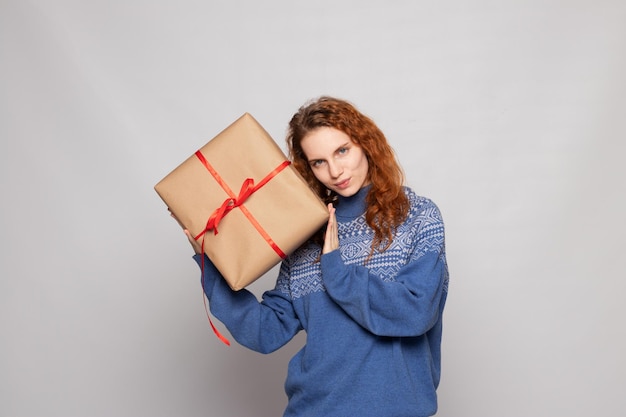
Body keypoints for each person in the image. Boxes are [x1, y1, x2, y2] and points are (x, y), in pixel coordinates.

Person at [180, 96, 449, 417]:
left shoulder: (416, 217)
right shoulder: (306, 236)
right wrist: (212, 265)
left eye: (342, 151)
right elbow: (267, 331)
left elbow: (416, 312)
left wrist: (337, 273)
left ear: (366, 143)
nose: (335, 171)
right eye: (318, 162)